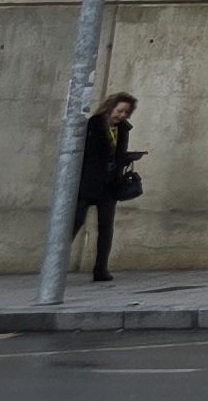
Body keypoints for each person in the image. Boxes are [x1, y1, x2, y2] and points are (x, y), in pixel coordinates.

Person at [71, 92, 138, 282]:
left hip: (110, 185)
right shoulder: (93, 125)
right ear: (111, 107)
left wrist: (126, 159)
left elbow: (117, 154)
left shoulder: (122, 129)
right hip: (88, 183)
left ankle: (101, 269)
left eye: (126, 112)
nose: (122, 115)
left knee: (106, 227)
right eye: (120, 111)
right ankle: (55, 263)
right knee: (75, 223)